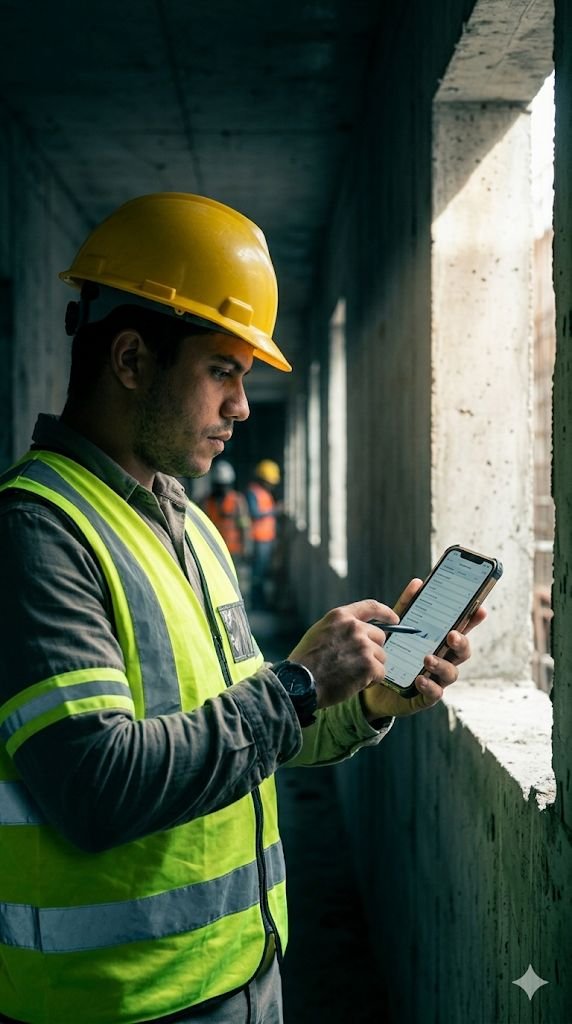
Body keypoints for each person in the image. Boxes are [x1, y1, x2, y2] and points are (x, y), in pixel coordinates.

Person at [0, 192, 485, 1024]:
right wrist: (297, 682)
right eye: (223, 370)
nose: (242, 407)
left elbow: (249, 734)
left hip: (240, 975)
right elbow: (96, 785)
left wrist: (367, 697)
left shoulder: (184, 522)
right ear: (129, 359)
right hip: (121, 1002)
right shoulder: (36, 532)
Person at [246, 459, 281, 609]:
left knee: (263, 571)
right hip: (258, 539)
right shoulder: (253, 492)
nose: (271, 484)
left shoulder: (264, 493)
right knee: (258, 572)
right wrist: (275, 510)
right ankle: (257, 602)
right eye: (269, 481)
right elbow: (254, 513)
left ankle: (260, 600)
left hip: (266, 538)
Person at [200, 459, 251, 560]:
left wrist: (246, 546)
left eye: (224, 486)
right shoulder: (206, 501)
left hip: (232, 549)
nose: (222, 489)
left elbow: (244, 524)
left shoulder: (237, 501)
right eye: (219, 486)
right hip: (212, 548)